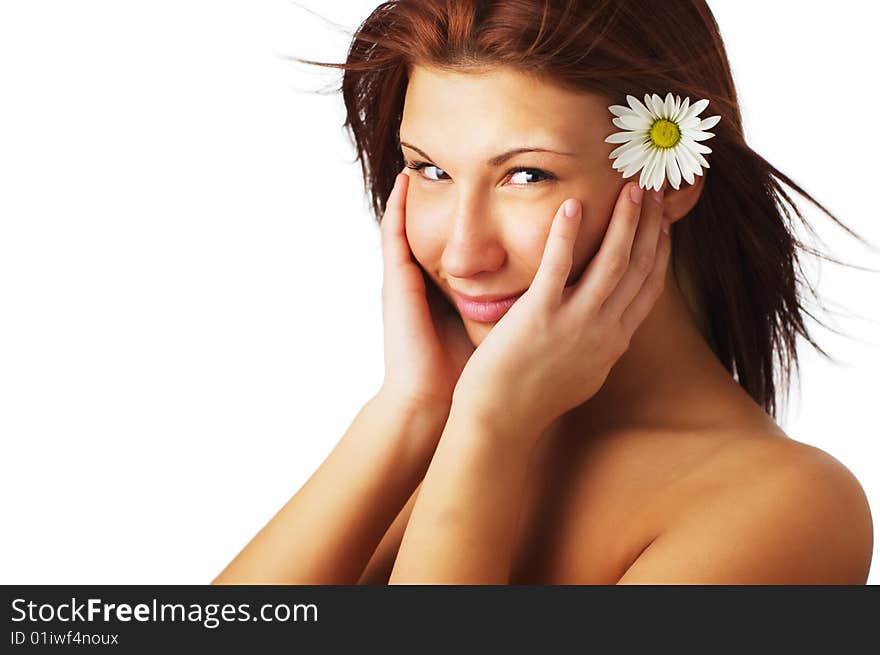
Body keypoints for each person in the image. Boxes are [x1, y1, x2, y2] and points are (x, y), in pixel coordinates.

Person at [213, 0, 873, 585]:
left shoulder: (789, 508)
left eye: (527, 174)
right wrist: (409, 409)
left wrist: (490, 429)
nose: (464, 253)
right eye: (431, 169)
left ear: (669, 180)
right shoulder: (426, 438)